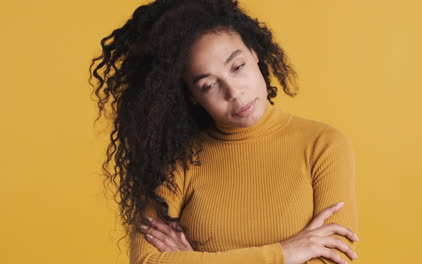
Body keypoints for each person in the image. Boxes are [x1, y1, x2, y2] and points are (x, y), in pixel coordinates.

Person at [88, 0, 359, 263]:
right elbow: (148, 261)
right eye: (208, 85)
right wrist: (284, 254)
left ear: (255, 53)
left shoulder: (323, 145)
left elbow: (332, 259)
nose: (233, 91)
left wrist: (193, 260)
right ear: (192, 95)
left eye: (237, 66)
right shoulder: (174, 161)